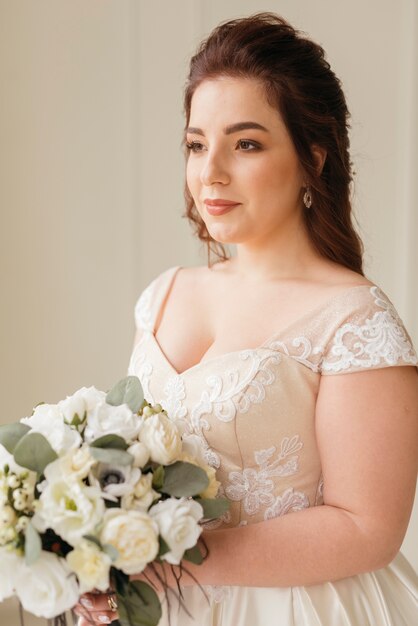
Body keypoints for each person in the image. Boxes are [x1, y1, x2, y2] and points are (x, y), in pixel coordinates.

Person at [76, 11, 418, 625]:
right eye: (196, 144)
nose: (211, 172)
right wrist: (95, 554)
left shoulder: (355, 319)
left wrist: (178, 558)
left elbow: (368, 527)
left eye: (247, 144)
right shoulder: (164, 296)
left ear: (313, 159)